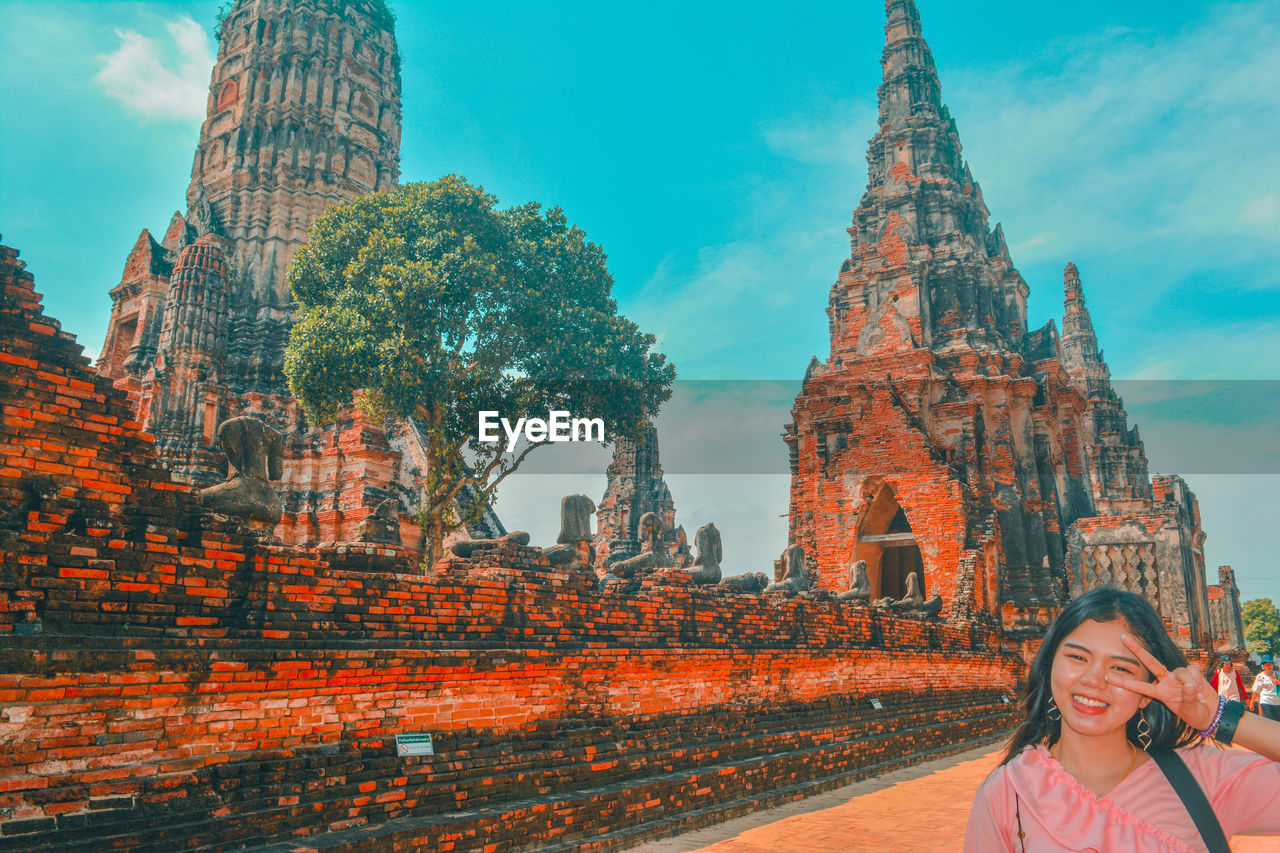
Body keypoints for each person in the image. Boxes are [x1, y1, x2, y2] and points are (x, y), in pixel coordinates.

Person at [965, 587, 1280, 851]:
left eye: (1120, 668)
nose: (1094, 680)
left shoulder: (1203, 777)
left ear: (1147, 693)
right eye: (1077, 657)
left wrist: (1220, 717)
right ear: (1049, 668)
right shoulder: (1008, 793)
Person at [1253, 654, 1279, 721]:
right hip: (1266, 701)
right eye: (1267, 665)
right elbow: (1256, 691)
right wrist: (1251, 703)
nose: (1269, 666)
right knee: (1271, 720)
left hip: (1277, 702)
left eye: (1270, 664)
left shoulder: (1278, 675)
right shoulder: (1260, 676)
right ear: (1263, 666)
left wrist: (1277, 682)